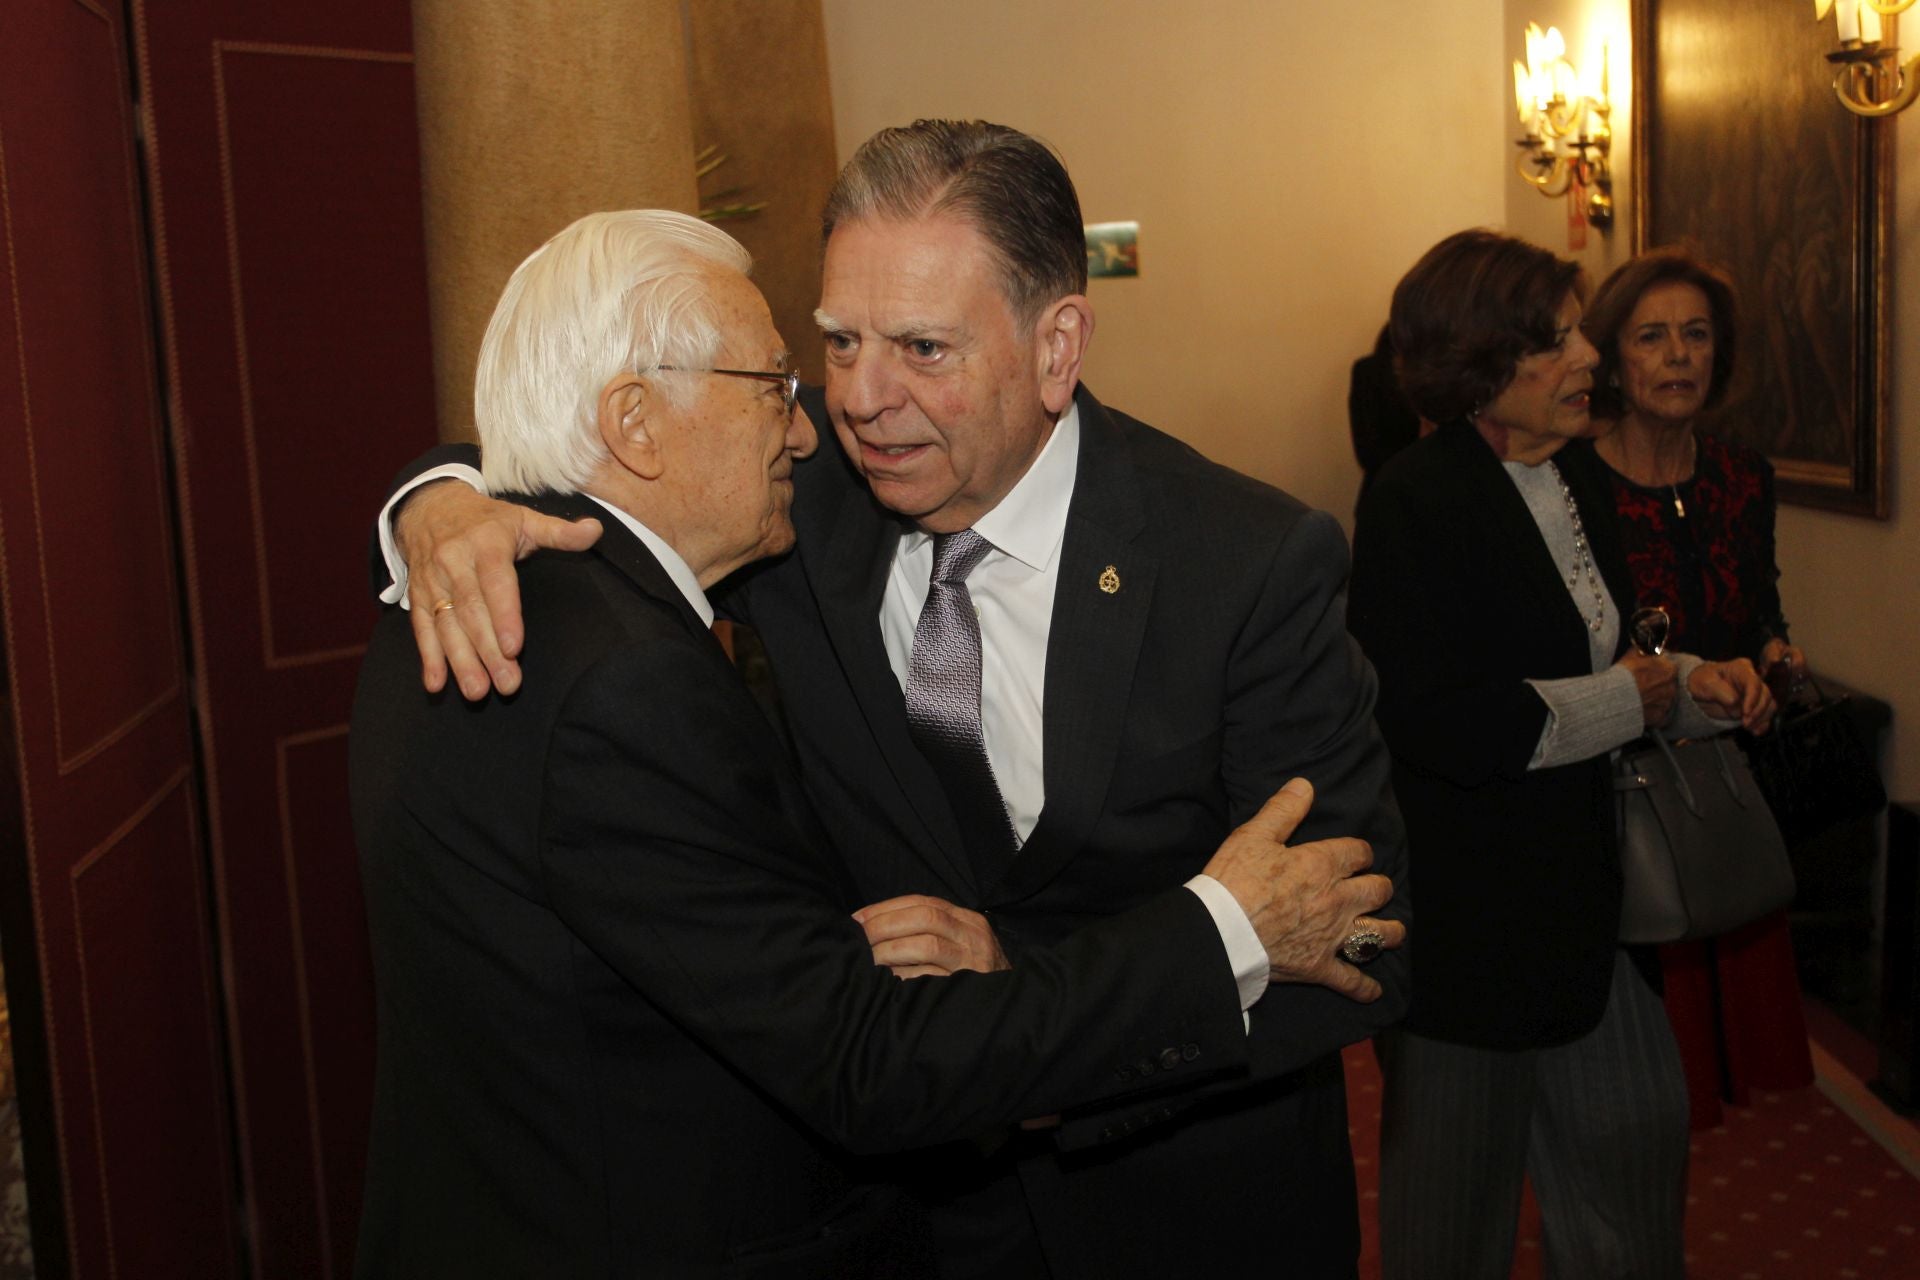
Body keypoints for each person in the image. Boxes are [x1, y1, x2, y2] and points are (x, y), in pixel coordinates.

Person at [377, 120, 1411, 1277]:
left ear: (1056, 343)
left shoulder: (1244, 559)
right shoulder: (797, 498)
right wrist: (438, 497)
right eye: (838, 342)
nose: (859, 401)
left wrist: (1021, 992)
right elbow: (593, 447)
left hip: (1188, 1211)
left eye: (923, 348)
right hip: (911, 1220)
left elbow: (1366, 931)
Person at [1348, 229, 1776, 1279]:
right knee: (1451, 1232)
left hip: (1588, 922)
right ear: (1481, 360)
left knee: (1633, 1193)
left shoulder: (1575, 476)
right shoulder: (1415, 496)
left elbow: (1613, 665)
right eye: (1559, 338)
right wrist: (1633, 695)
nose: (1590, 357)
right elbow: (1435, 721)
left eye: (1582, 331)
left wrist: (1696, 695)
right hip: (1463, 937)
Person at [1584, 247, 1815, 1129]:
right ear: (1612, 357)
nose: (1679, 355)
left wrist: (1774, 659)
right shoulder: (1576, 482)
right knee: (1631, 1082)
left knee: (1709, 1079)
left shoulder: (1741, 474)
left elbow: (1761, 605)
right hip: (1619, 794)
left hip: (1723, 790)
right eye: (1653, 336)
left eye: (1696, 335)